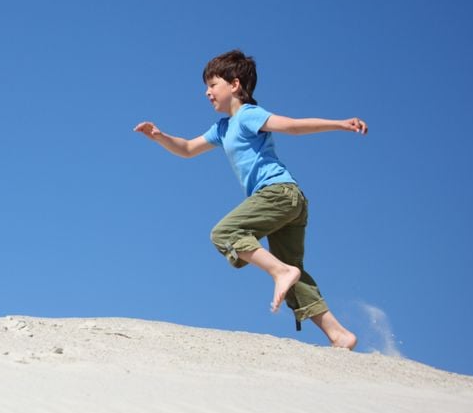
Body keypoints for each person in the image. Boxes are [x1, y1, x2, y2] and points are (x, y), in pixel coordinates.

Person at [134, 49, 365, 349]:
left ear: (235, 85)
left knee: (225, 233)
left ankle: (280, 271)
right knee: (295, 276)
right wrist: (159, 136)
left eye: (212, 84)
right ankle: (339, 334)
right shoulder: (223, 128)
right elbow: (189, 148)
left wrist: (339, 123)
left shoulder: (247, 115)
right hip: (290, 202)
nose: (207, 92)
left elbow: (292, 126)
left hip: (278, 194)